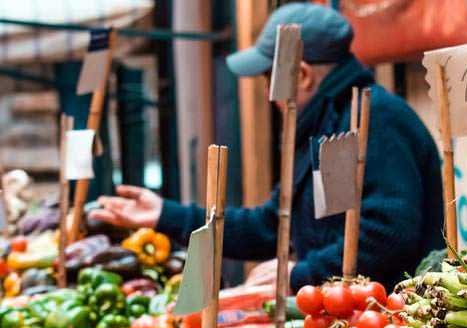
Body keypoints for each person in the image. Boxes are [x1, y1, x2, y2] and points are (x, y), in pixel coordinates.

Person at [89, 3, 444, 291]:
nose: (265, 94)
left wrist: (299, 274)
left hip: (391, 316)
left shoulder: (375, 119)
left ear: (302, 76)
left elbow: (386, 236)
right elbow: (270, 225)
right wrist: (165, 216)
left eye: (267, 79)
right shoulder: (322, 124)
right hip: (340, 312)